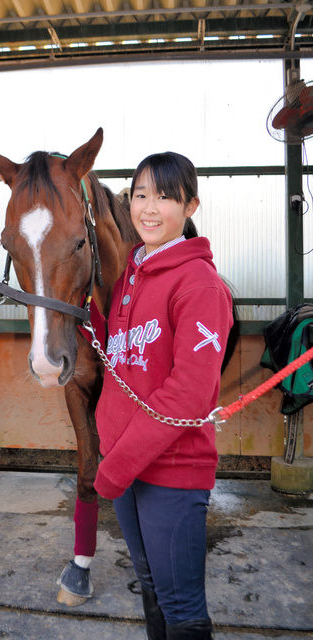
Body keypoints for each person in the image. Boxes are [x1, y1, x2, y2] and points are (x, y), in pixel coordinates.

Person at [93, 151, 234, 640]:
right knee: (151, 584)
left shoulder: (199, 284)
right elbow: (121, 365)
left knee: (181, 605)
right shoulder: (131, 276)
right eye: (140, 195)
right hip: (126, 466)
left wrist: (113, 466)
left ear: (191, 205)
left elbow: (188, 394)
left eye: (166, 197)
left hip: (172, 471)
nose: (149, 208)